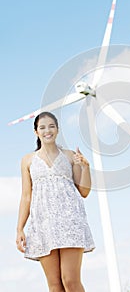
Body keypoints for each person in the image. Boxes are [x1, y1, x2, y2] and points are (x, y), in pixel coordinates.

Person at [16, 111, 95, 292]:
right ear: (36, 132)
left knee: (70, 281)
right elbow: (26, 196)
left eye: (51, 126)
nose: (47, 131)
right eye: (42, 127)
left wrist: (86, 167)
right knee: (54, 285)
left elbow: (84, 191)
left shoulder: (69, 155)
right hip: (43, 225)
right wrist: (19, 228)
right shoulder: (27, 160)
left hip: (70, 221)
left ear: (58, 130)